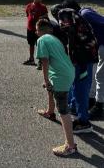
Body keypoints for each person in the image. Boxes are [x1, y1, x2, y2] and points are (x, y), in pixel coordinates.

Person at [36, 19, 77, 156]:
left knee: (64, 111)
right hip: (68, 71)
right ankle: (50, 111)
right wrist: (48, 82)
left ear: (40, 30)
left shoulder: (42, 40)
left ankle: (70, 146)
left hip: (61, 76)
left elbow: (45, 61)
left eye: (36, 30)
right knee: (51, 89)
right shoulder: (55, 38)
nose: (36, 33)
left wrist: (46, 79)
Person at [62, 0, 104, 120]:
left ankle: (99, 106)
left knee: (100, 76)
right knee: (97, 74)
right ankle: (92, 100)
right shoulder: (80, 17)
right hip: (99, 46)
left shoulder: (85, 13)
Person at [58, 7, 97, 133]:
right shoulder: (80, 25)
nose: (62, 23)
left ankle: (84, 122)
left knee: (81, 90)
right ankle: (79, 114)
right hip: (83, 62)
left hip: (83, 63)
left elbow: (76, 47)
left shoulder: (79, 29)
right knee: (78, 88)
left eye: (63, 20)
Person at [23, 0, 48, 66]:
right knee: (31, 44)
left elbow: (46, 16)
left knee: (39, 45)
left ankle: (40, 61)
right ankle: (31, 59)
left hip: (39, 30)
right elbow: (28, 15)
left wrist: (40, 17)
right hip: (30, 28)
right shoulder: (29, 6)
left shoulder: (43, 7)